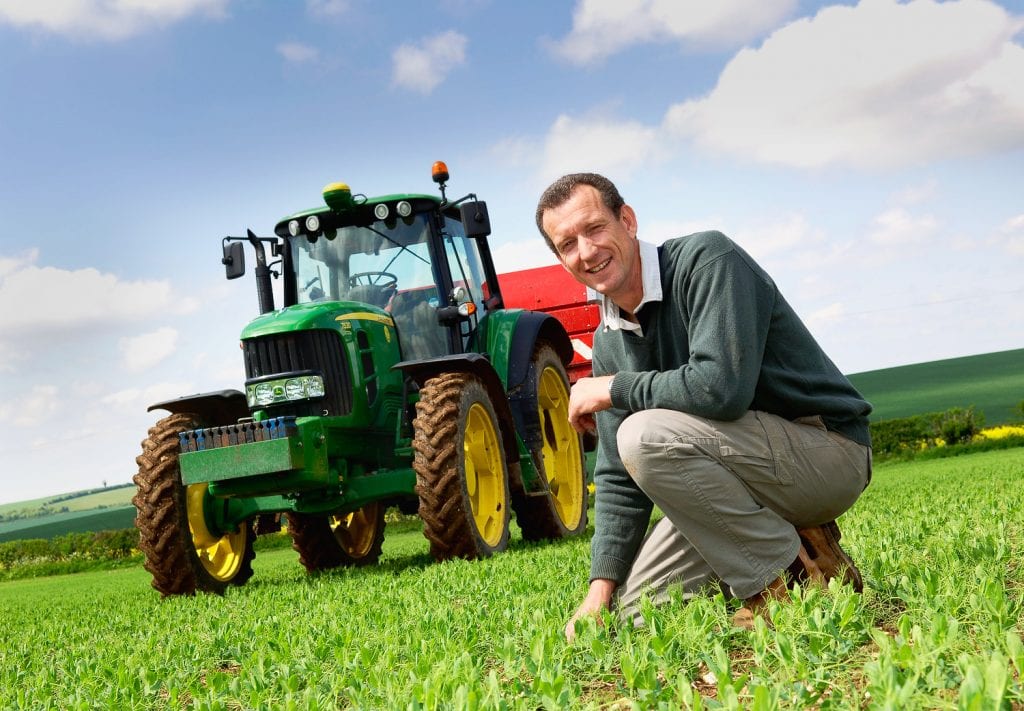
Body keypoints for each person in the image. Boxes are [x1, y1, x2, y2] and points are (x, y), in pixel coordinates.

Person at [534, 173, 873, 639]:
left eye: (594, 229)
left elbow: (721, 389)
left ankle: (783, 579)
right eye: (567, 244)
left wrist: (614, 389)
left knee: (642, 434)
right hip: (738, 473)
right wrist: (598, 594)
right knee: (637, 614)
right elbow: (616, 478)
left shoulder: (708, 261)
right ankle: (805, 545)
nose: (586, 252)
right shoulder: (608, 343)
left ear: (627, 221)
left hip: (825, 453)